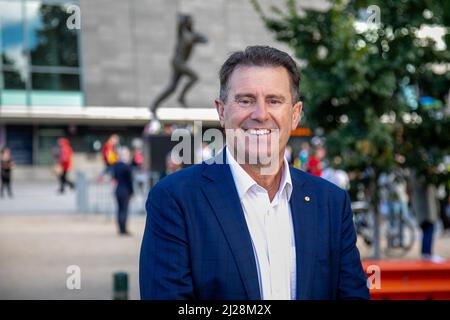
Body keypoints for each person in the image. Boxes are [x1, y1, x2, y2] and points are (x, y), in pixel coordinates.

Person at [140, 46, 369, 300]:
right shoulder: (176, 200)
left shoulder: (331, 204)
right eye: (245, 100)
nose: (260, 115)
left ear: (294, 115)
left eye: (274, 101)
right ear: (221, 111)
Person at [112, 147, 134, 236]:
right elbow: (130, 181)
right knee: (124, 210)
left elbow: (115, 177)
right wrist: (132, 191)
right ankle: (123, 229)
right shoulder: (127, 167)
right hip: (125, 190)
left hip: (118, 189)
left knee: (119, 209)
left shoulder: (116, 166)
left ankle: (120, 229)